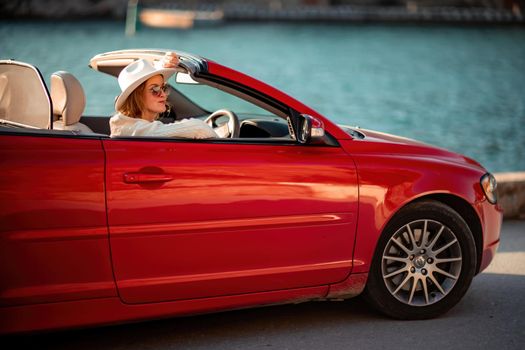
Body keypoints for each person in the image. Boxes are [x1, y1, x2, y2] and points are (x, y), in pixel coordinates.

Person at [109, 52, 218, 139]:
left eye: (163, 88)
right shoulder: (131, 129)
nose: (163, 95)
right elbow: (199, 128)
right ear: (137, 96)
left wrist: (160, 66)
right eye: (155, 89)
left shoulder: (131, 126)